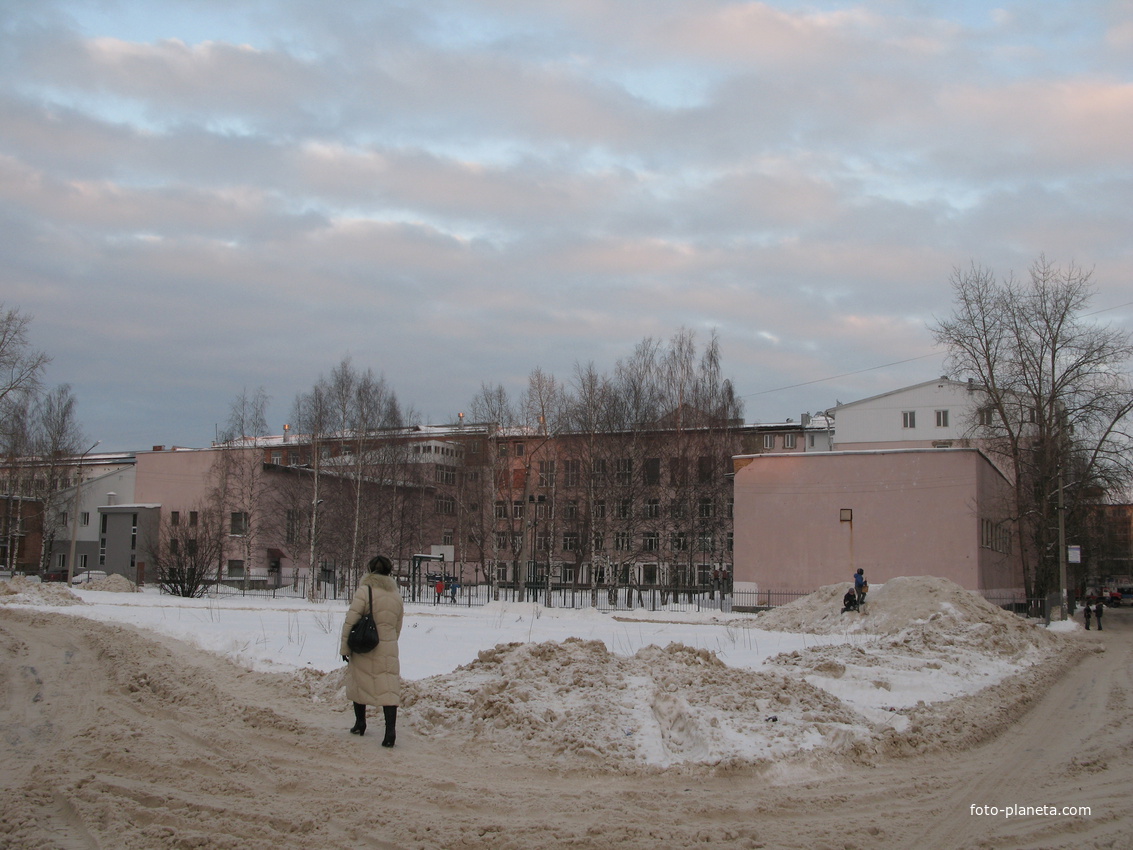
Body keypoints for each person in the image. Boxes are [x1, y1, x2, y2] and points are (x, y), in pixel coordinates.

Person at [340, 554, 404, 747]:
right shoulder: (396, 594)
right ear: (389, 571)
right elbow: (398, 625)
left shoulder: (365, 590)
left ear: (370, 570)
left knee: (360, 682)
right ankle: (390, 732)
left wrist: (345, 648)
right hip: (388, 646)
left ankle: (360, 723)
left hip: (365, 646)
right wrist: (390, 641)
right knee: (389, 688)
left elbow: (351, 620)